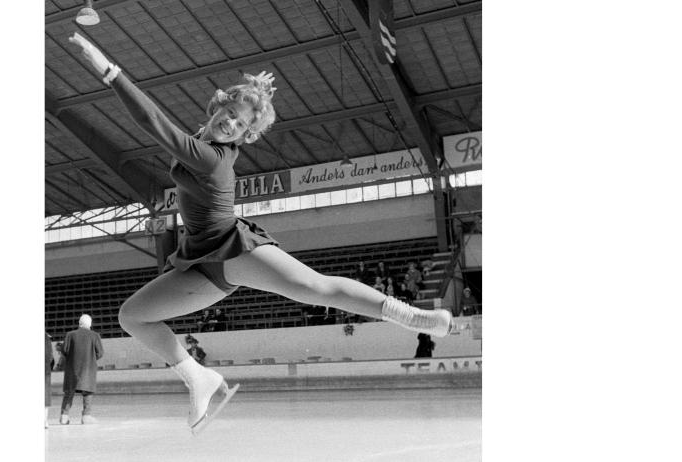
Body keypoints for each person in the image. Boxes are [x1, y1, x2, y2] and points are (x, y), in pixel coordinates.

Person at [67, 32, 454, 435]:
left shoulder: (212, 158)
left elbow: (154, 124)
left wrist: (109, 70)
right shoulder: (205, 139)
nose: (231, 121)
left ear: (246, 134)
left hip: (232, 249)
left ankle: (412, 316)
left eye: (241, 122)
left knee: (315, 288)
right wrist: (254, 92)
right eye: (229, 110)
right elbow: (185, 128)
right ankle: (198, 377)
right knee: (133, 316)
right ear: (217, 105)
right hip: (200, 261)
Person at [60, 314, 104, 425]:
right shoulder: (95, 335)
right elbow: (100, 353)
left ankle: (64, 416)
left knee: (69, 392)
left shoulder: (70, 335)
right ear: (90, 324)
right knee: (87, 391)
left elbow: (64, 351)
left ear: (79, 323)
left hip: (72, 369)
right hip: (88, 369)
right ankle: (86, 416)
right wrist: (91, 358)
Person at [45, 332, 55, 429]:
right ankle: (44, 421)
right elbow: (50, 357)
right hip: (45, 371)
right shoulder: (46, 338)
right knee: (45, 398)